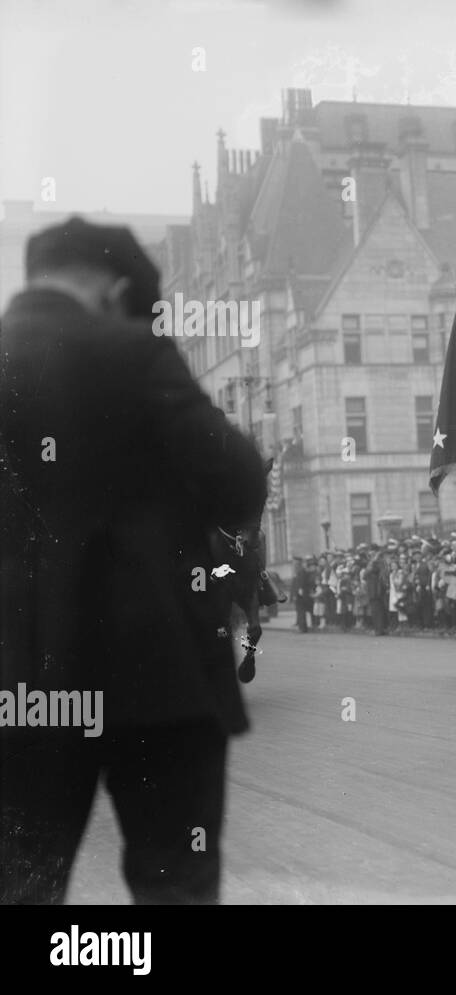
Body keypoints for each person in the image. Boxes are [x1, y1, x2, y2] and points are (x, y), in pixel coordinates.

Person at [0, 216, 267, 903]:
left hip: (20, 687)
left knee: (23, 885)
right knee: (174, 881)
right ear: (117, 290)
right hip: (160, 678)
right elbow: (238, 479)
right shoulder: (134, 352)